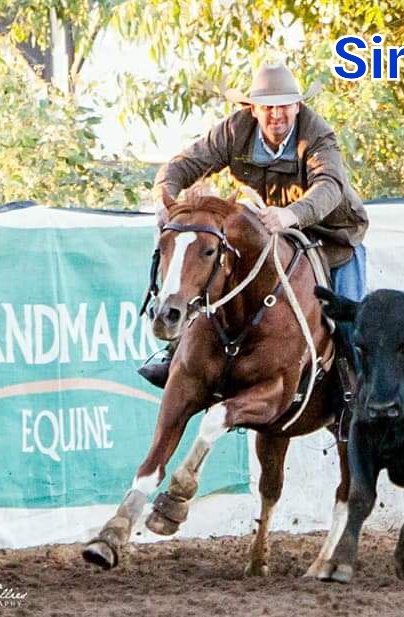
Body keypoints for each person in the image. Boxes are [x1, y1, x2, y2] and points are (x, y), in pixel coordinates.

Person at [139, 62, 368, 388]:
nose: (276, 115)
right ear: (253, 109)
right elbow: (183, 165)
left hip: (332, 239)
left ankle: (356, 394)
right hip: (266, 235)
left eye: (284, 106)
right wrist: (166, 200)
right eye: (267, 107)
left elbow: (330, 185)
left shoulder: (318, 134)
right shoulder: (233, 130)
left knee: (348, 322)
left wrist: (291, 215)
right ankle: (177, 355)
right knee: (211, 282)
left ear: (297, 106)